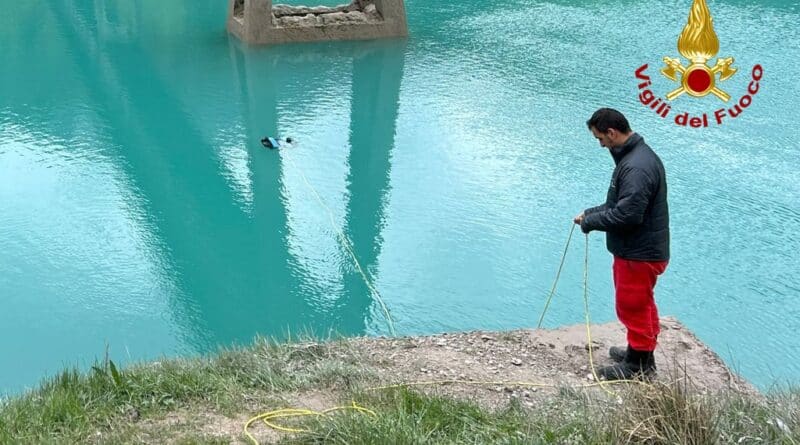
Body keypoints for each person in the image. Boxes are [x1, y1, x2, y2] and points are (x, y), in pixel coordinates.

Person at [574, 108, 670, 381]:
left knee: (632, 306)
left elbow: (627, 215)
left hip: (638, 253)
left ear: (612, 133)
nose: (601, 144)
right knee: (642, 304)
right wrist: (590, 213)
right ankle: (638, 353)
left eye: (600, 138)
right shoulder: (636, 158)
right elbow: (619, 204)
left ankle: (638, 366)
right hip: (643, 249)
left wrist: (590, 223)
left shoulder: (636, 167)